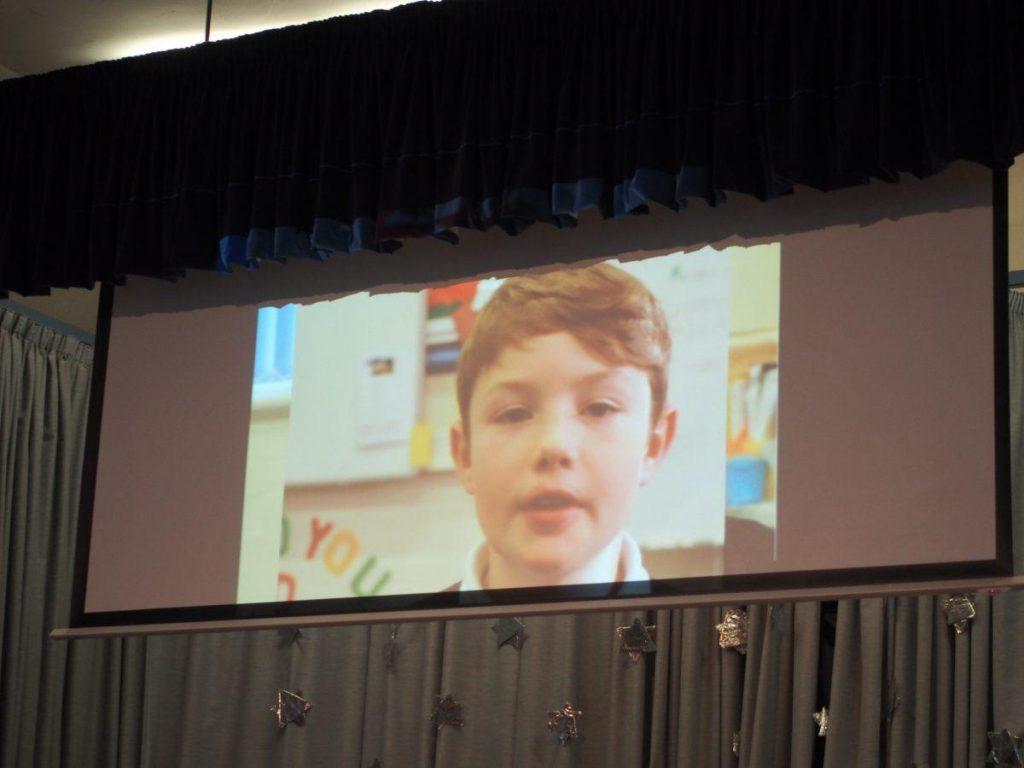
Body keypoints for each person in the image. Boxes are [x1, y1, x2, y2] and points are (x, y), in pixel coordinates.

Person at [449, 262, 677, 592]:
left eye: (599, 408)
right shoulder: (401, 628)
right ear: (464, 454)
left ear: (653, 446)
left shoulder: (712, 625)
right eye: (514, 414)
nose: (554, 445)